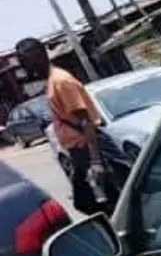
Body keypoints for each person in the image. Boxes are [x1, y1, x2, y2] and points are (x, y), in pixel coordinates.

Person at [14, 37, 120, 215]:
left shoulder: (61, 81)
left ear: (39, 55)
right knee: (90, 201)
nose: (25, 66)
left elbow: (85, 121)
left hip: (87, 148)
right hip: (78, 151)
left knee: (108, 198)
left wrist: (95, 161)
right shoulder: (51, 82)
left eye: (25, 60)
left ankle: (122, 226)